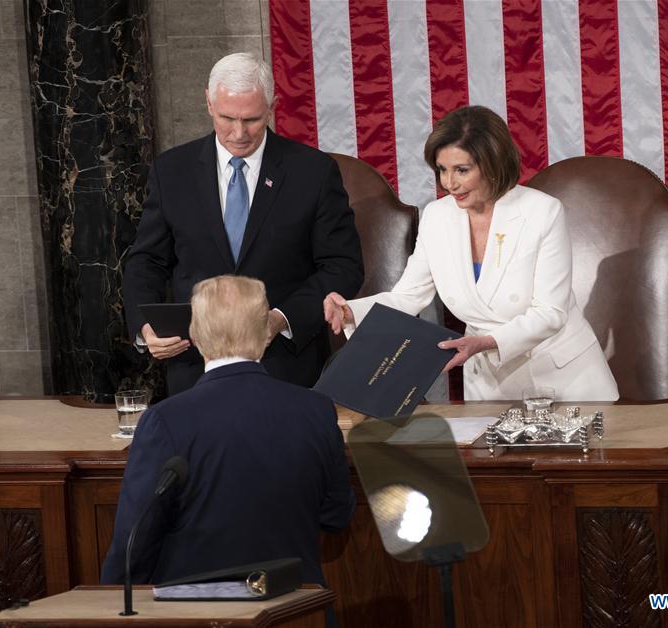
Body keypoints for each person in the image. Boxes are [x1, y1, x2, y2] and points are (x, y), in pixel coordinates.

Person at [324, 106, 618, 401]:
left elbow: (550, 313)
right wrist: (351, 310)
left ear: (492, 164)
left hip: (563, 379)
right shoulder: (437, 216)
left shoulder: (543, 211)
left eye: (462, 170)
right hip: (490, 383)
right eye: (442, 169)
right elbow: (407, 297)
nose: (449, 183)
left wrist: (486, 342)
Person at [123, 52, 363, 395]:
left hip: (284, 364)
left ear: (273, 107)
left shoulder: (313, 172)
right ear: (208, 103)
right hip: (195, 365)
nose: (238, 133)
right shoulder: (171, 170)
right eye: (227, 118)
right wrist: (145, 327)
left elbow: (343, 266)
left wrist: (281, 318)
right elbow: (147, 260)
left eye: (251, 119)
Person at [101, 275, 354, 588]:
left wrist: (111, 602)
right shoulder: (316, 410)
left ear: (194, 333)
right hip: (297, 609)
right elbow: (336, 515)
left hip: (197, 615)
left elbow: (133, 544)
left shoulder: (165, 422)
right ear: (266, 333)